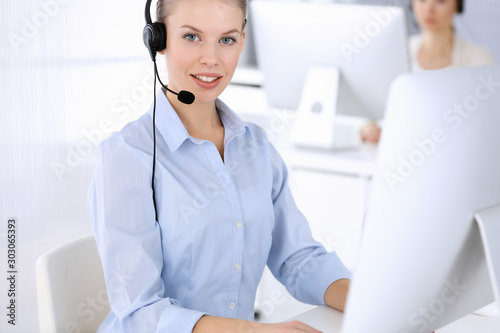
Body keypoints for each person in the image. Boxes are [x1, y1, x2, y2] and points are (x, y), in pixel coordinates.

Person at [87, 0, 351, 332]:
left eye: (226, 39)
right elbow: (140, 312)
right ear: (158, 41)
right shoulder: (126, 155)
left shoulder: (256, 147)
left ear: (242, 40)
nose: (211, 58)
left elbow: (298, 259)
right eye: (192, 37)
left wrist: (380, 309)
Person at [360, 0, 496, 144]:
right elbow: (370, 108)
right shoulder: (397, 49)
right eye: (422, 1)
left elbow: (489, 120)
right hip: (402, 150)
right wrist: (367, 126)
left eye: (440, 2)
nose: (429, 9)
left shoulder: (480, 59)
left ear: (457, 6)